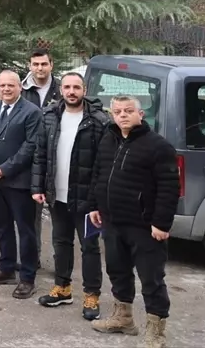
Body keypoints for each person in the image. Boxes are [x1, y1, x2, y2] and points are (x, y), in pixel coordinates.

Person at [87, 95, 179, 344]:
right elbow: (98, 174)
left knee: (151, 279)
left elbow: (170, 187)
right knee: (117, 271)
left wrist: (161, 223)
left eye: (128, 111)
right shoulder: (108, 140)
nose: (122, 115)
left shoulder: (158, 146)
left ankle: (156, 333)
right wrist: (95, 205)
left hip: (144, 226)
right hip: (112, 222)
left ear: (141, 114)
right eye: (117, 111)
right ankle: (123, 318)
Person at [32, 72, 109, 319]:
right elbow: (40, 154)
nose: (71, 91)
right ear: (61, 90)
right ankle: (63, 288)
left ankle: (92, 295)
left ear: (84, 90)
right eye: (67, 87)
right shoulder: (49, 116)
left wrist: (98, 200)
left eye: (76, 87)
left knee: (90, 247)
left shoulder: (98, 120)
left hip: (87, 199)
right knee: (61, 242)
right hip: (57, 195)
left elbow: (104, 163)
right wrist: (38, 187)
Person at [0, 70, 43, 299]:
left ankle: (27, 277)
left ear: (19, 87)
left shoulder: (32, 112)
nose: (6, 89)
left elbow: (31, 146)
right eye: (2, 85)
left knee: (25, 230)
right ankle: (6, 267)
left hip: (19, 181)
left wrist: (6, 168)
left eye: (10, 85)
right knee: (2, 226)